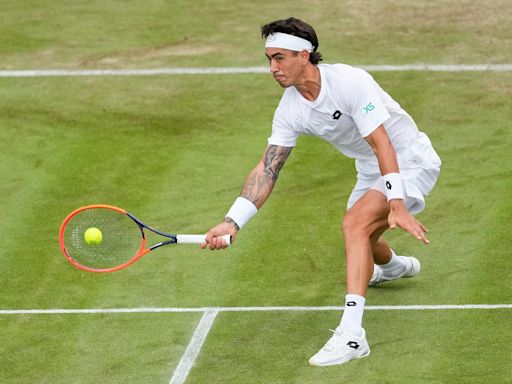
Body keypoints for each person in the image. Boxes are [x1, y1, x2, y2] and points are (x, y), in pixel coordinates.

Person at [201, 17, 441, 366]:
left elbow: (382, 142)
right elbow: (268, 168)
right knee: (365, 237)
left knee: (354, 225)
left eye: (279, 57)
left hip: (408, 159)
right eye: (269, 58)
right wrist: (232, 221)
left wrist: (396, 201)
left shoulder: (350, 82)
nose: (273, 68)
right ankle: (392, 268)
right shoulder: (290, 109)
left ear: (304, 55)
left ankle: (353, 336)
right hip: (369, 167)